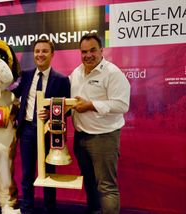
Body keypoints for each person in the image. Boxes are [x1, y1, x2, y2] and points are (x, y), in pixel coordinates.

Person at [69, 32, 131, 214]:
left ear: (102, 50)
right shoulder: (76, 72)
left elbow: (122, 104)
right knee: (89, 182)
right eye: (84, 51)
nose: (88, 55)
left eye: (93, 50)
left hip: (104, 138)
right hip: (81, 138)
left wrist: (90, 105)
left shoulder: (113, 73)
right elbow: (69, 100)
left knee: (106, 187)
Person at [12, 39, 70, 214]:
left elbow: (66, 110)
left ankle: (49, 209)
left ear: (52, 54)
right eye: (37, 51)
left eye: (44, 51)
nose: (40, 54)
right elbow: (13, 94)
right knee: (27, 174)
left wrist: (52, 114)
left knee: (48, 174)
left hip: (48, 132)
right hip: (27, 130)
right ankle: (27, 209)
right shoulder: (26, 75)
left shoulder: (61, 80)